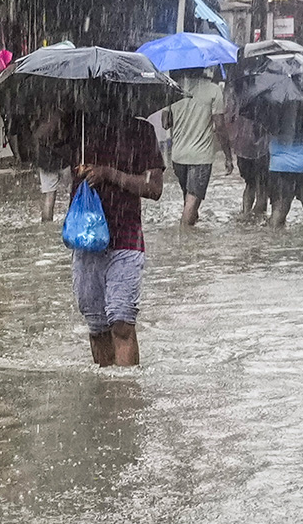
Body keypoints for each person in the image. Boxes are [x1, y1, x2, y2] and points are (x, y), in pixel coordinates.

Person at [72, 115, 165, 367]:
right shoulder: (77, 126)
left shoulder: (141, 131)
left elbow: (154, 188)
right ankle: (108, 394)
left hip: (126, 238)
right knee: (98, 327)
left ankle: (126, 394)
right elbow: (38, 145)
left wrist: (109, 174)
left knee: (122, 323)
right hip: (86, 240)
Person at [163, 69, 232, 226]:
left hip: (178, 156)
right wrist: (228, 156)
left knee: (189, 201)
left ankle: (192, 241)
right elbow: (220, 126)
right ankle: (184, 241)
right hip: (200, 157)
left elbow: (165, 123)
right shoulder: (213, 90)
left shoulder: (173, 90)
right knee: (192, 203)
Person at [224, 82, 270, 215]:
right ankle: (257, 221)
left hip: (242, 147)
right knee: (262, 186)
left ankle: (245, 215)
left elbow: (228, 119)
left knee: (250, 184)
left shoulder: (237, 94)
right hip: (262, 148)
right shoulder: (265, 95)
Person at [32, 110, 72, 222]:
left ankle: (46, 228)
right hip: (64, 158)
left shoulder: (41, 114)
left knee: (49, 197)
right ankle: (73, 224)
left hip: (45, 160)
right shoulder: (64, 112)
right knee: (73, 193)